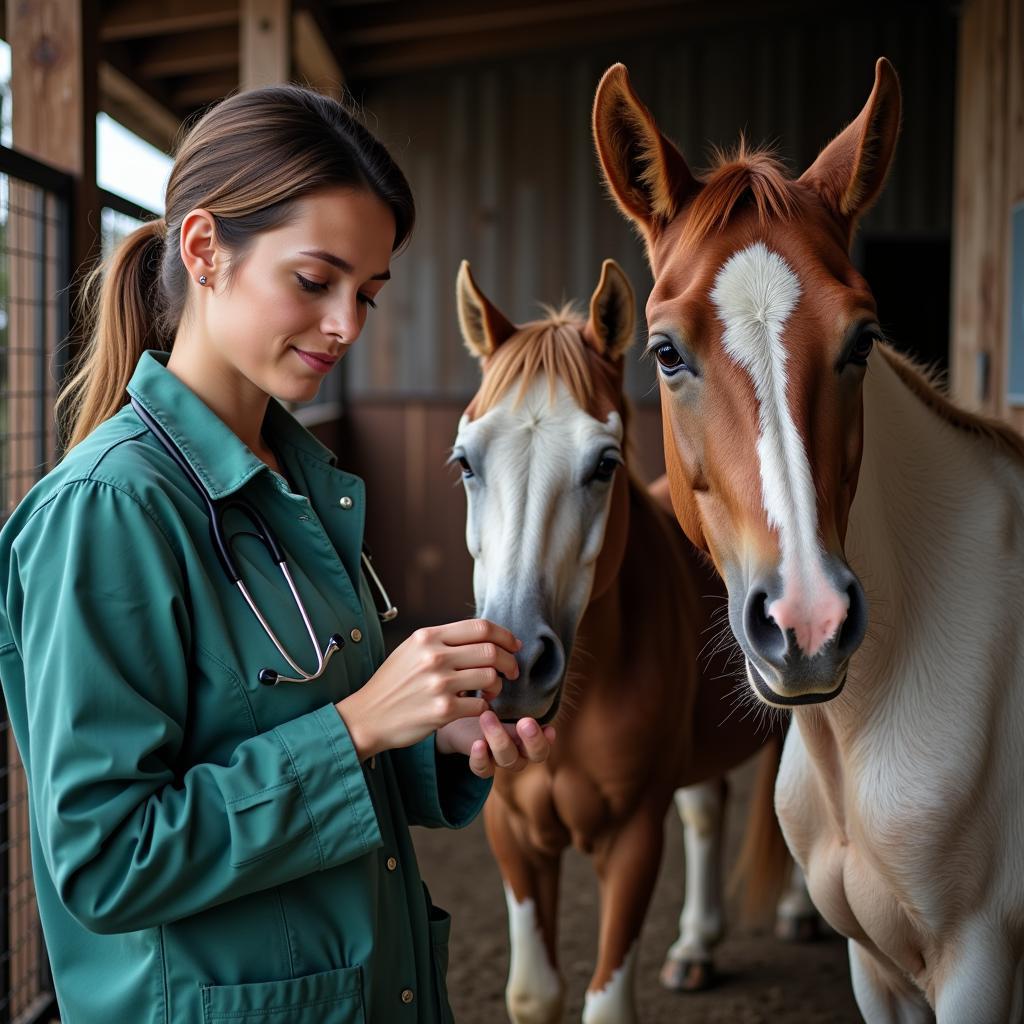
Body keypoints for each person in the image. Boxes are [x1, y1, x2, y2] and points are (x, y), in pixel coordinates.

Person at [0, 85, 554, 1024]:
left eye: (368, 293)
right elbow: (106, 861)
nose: (348, 324)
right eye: (316, 280)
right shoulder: (109, 511)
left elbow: (286, 728)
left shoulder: (300, 481)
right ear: (205, 248)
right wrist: (360, 727)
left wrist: (432, 740)